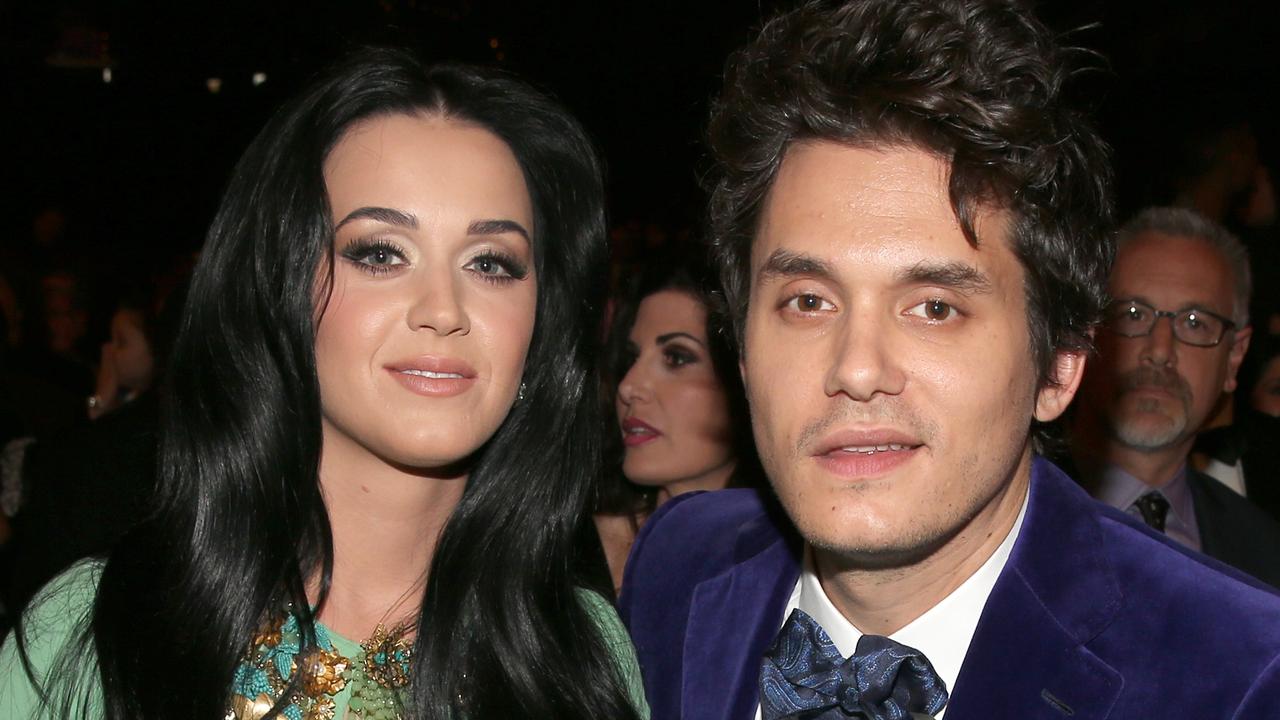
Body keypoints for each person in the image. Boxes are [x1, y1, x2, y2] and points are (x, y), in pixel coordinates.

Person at [618, 2, 1280, 719]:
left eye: (934, 307)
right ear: (742, 350)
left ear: (1059, 364)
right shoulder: (678, 566)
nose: (857, 368)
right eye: (808, 302)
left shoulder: (1240, 673)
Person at [0, 48, 647, 720]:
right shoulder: (97, 633)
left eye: (491, 262)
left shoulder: (582, 653)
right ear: (282, 293)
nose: (444, 309)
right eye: (380, 252)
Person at [1068, 207, 1280, 586]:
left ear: (1234, 358)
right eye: (1132, 314)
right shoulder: (994, 513)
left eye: (1195, 324)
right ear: (1086, 332)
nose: (1161, 350)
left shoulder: (1263, 555)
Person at [594, 251, 759, 593]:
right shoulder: (569, 552)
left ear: (744, 378)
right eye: (631, 358)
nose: (629, 387)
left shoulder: (790, 571)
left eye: (676, 357)